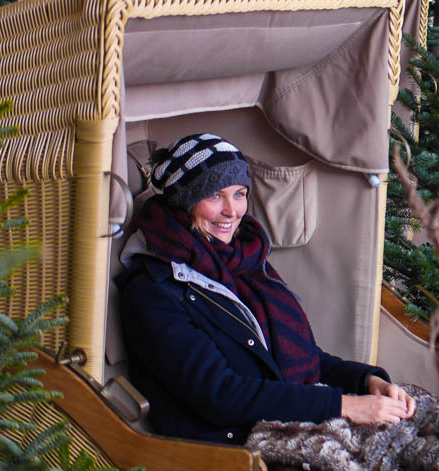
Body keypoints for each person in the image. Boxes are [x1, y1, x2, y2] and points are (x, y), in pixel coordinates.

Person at [118, 133, 415, 444]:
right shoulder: (153, 290)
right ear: (185, 200)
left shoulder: (242, 261)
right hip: (232, 449)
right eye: (215, 195)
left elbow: (294, 358)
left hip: (287, 428)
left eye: (239, 194)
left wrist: (365, 381)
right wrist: (347, 407)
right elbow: (221, 395)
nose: (232, 211)